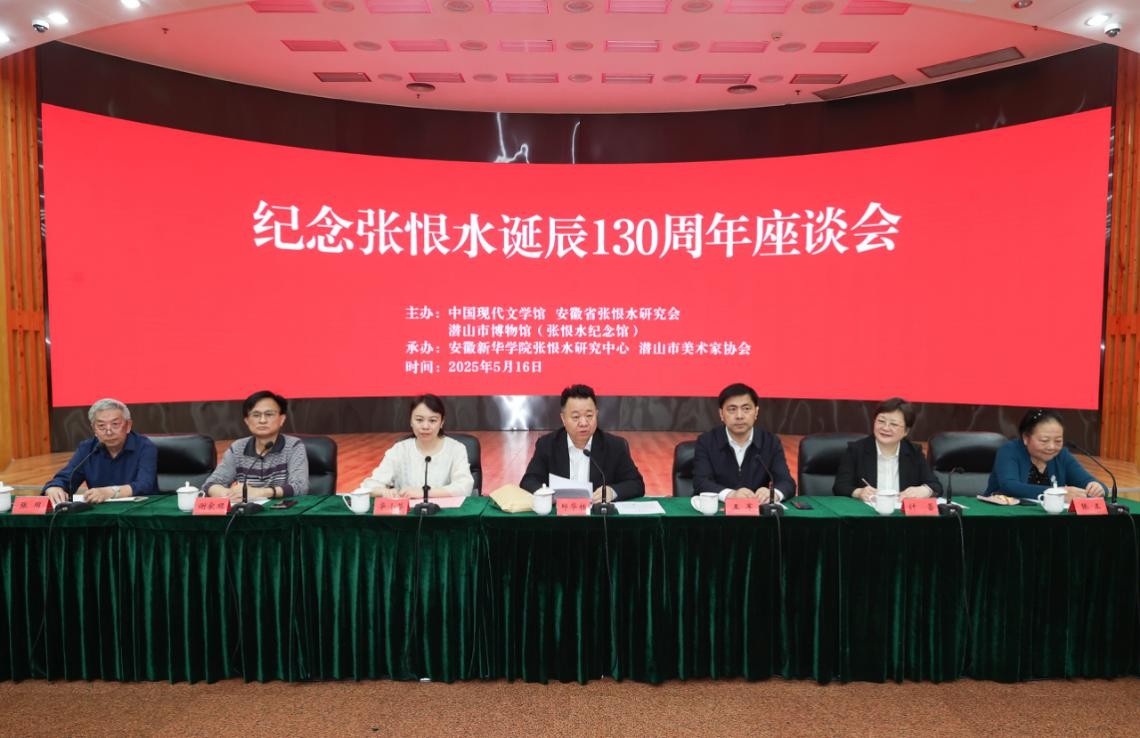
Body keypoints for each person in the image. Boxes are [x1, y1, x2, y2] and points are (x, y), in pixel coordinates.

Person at [520, 384, 644, 502]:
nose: (584, 423)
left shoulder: (614, 446)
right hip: (559, 514)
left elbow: (636, 484)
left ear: (596, 414)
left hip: (597, 516)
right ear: (563, 419)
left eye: (589, 415)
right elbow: (528, 481)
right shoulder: (547, 445)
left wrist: (612, 492)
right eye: (576, 417)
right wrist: (546, 493)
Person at [692, 382, 795, 502]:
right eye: (732, 409)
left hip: (757, 511)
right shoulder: (707, 441)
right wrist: (731, 494)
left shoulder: (770, 442)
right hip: (719, 510)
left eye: (746, 409)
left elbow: (787, 482)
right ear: (721, 414)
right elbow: (700, 482)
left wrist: (773, 494)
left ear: (756, 412)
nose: (739, 416)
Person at [43, 398, 157, 505]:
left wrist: (110, 492)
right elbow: (67, 477)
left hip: (139, 509)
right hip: (100, 512)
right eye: (101, 426)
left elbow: (145, 484)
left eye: (115, 424)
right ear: (94, 429)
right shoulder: (87, 449)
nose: (109, 432)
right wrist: (54, 487)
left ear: (128, 425)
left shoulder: (144, 446)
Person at [359, 394, 474, 498]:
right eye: (419, 420)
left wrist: (425, 493)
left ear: (442, 422)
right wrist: (384, 492)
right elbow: (368, 486)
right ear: (410, 421)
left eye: (432, 421)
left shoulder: (456, 449)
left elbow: (464, 487)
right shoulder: (400, 450)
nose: (425, 426)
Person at [204, 390, 309, 501]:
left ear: (282, 419)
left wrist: (259, 492)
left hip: (280, 509)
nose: (262, 420)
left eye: (269, 414)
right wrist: (230, 494)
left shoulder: (293, 446)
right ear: (247, 421)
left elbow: (300, 487)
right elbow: (210, 484)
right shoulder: (238, 448)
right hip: (246, 510)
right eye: (256, 415)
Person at [832, 397, 942, 500]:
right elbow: (840, 486)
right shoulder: (856, 450)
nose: (885, 428)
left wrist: (923, 490)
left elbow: (936, 486)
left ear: (906, 431)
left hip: (901, 512)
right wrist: (859, 492)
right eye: (881, 421)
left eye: (893, 424)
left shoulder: (914, 452)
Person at [985, 408, 1106, 502]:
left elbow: (1094, 484)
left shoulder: (1062, 455)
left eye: (1058, 441)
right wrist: (1058, 493)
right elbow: (1010, 486)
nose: (1051, 447)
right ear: (1026, 438)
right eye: (1044, 440)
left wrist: (1097, 488)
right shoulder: (1009, 451)